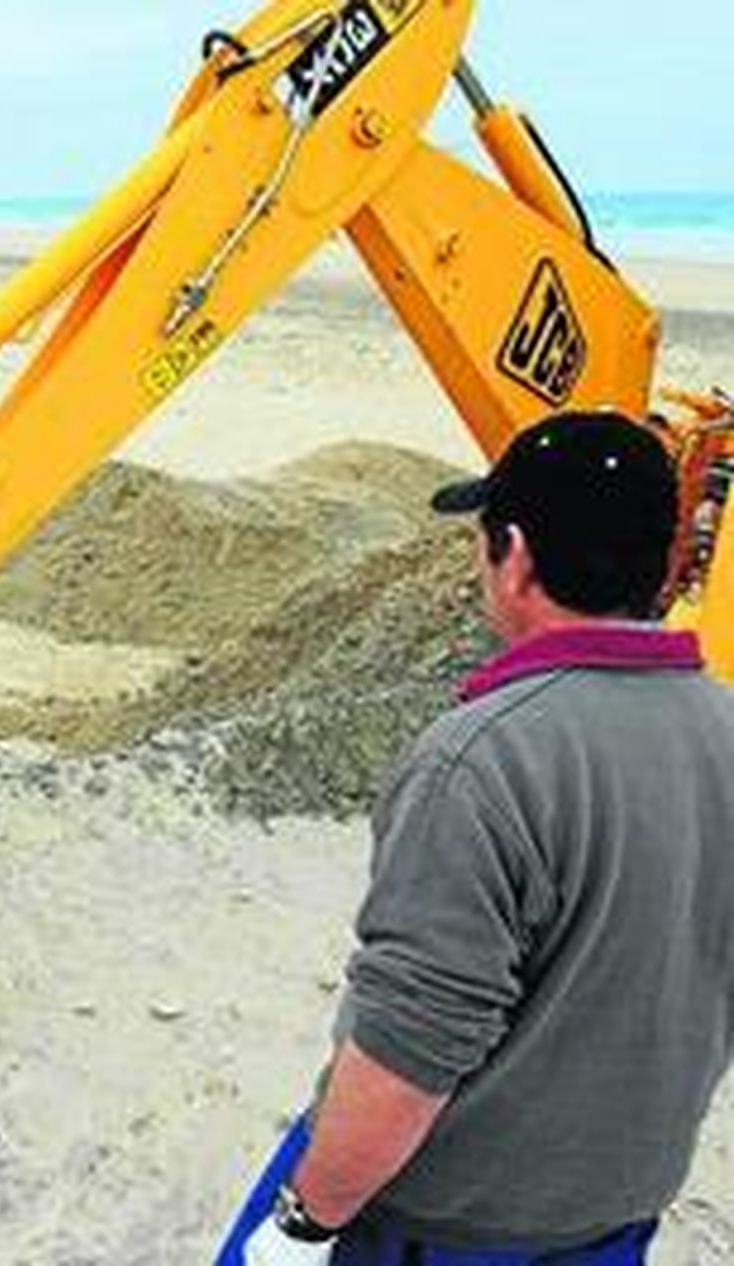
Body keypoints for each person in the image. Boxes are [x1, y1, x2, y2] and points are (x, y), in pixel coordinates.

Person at [225, 412, 734, 1266]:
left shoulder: (480, 762)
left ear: (518, 556)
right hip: (614, 1216)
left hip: (437, 1225)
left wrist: (305, 1223)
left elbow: (409, 1053)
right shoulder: (725, 731)